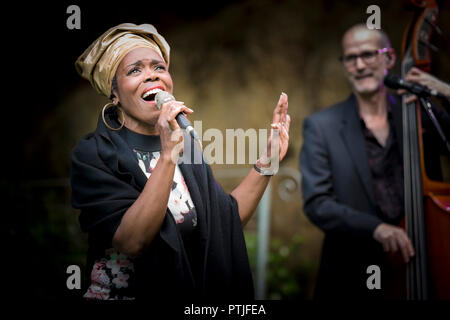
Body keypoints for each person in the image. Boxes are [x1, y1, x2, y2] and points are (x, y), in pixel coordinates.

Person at [71, 23, 290, 300]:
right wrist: (167, 156)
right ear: (114, 92)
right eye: (135, 70)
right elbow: (132, 242)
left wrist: (269, 160)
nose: (152, 76)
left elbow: (224, 220)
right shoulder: (93, 154)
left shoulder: (183, 144)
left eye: (159, 67)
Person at [299, 24, 450, 300]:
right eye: (350, 58)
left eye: (368, 54)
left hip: (426, 261)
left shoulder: (420, 114)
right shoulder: (322, 126)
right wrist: (376, 229)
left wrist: (446, 94)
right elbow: (317, 203)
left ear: (389, 59)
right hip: (353, 272)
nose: (359, 65)